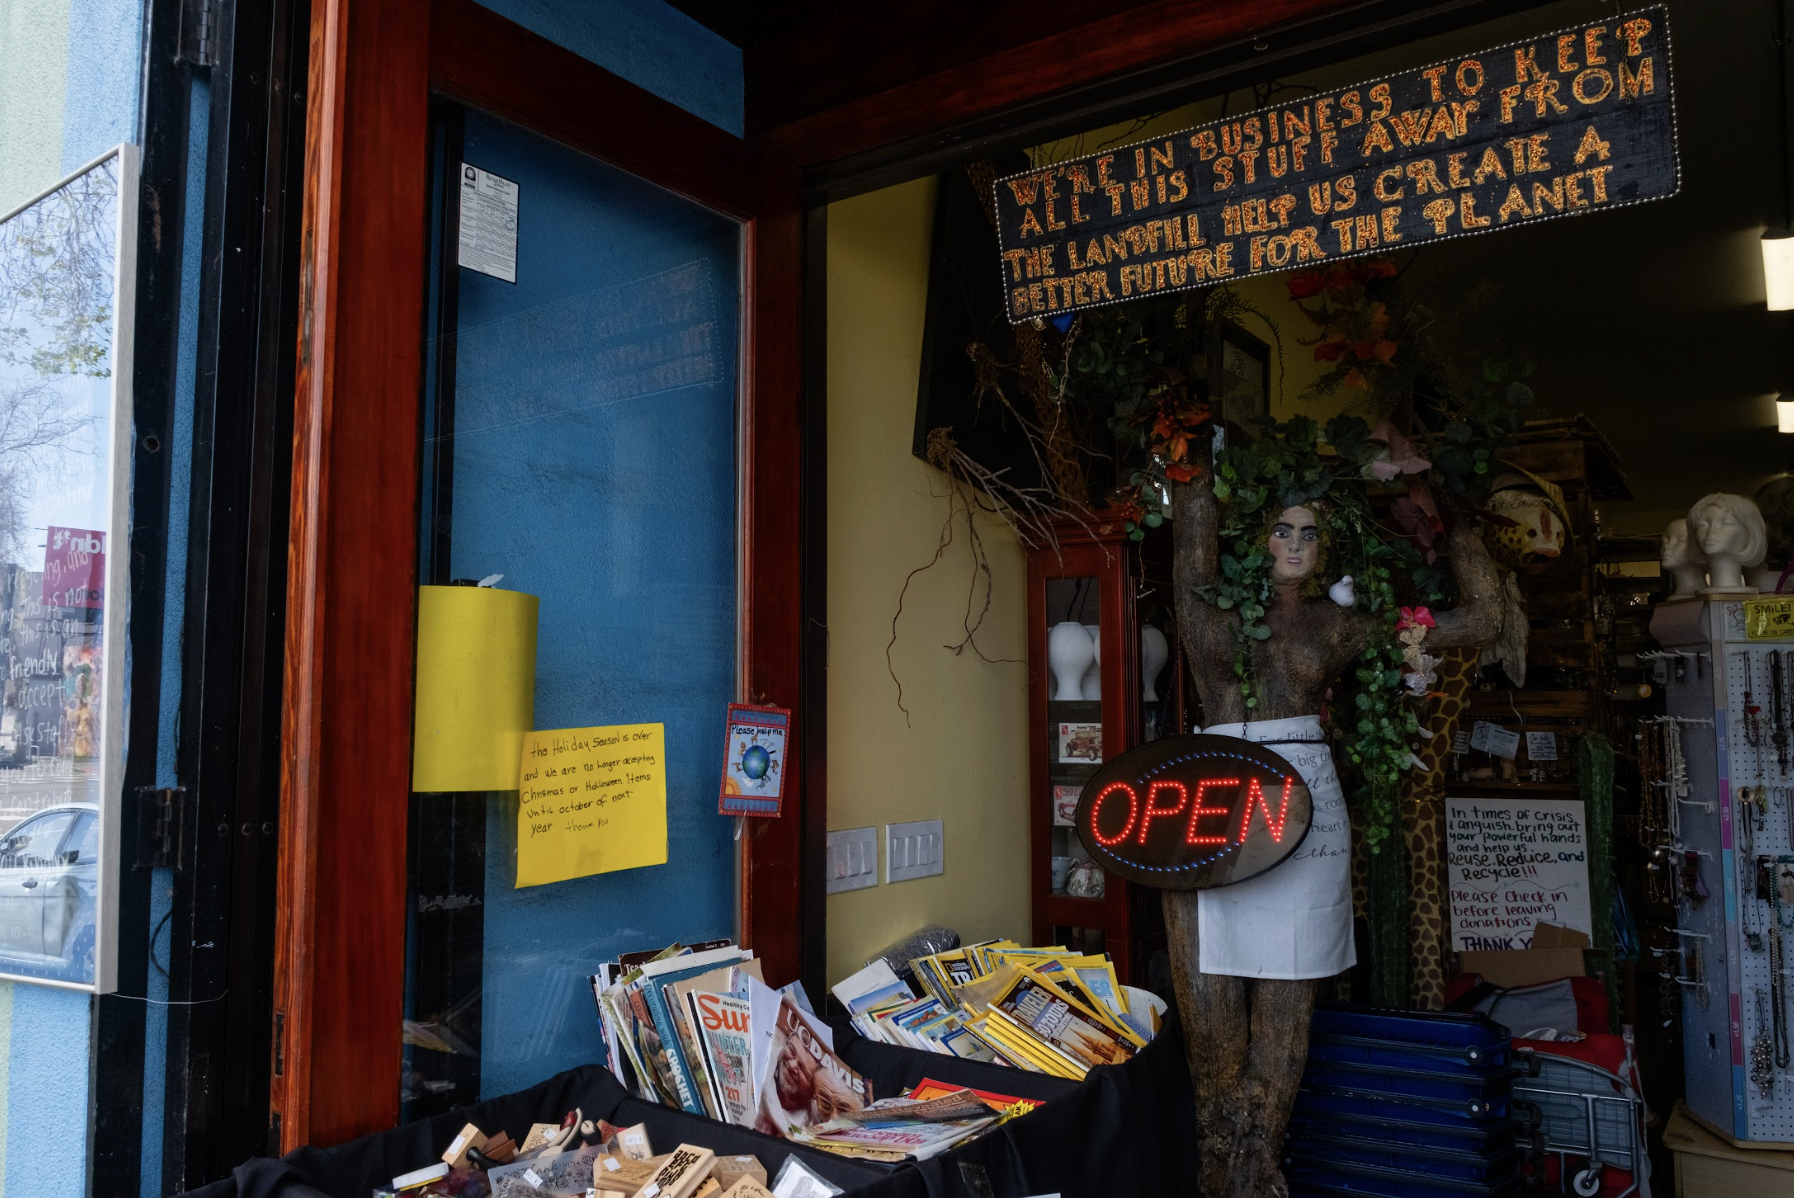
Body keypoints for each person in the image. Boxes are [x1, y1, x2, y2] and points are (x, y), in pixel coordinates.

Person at [1168, 486, 1500, 1196]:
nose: (1293, 543)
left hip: (1302, 809)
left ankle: (1261, 1162)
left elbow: (1481, 619)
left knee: (1290, 993)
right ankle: (1218, 1158)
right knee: (1210, 1003)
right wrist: (1189, 462)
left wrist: (1462, 515)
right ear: (1259, 539)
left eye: (1309, 534)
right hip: (1214, 802)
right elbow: (1191, 522)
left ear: (1325, 552)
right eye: (1282, 529)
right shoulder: (1209, 611)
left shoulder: (1339, 625)